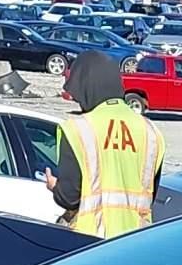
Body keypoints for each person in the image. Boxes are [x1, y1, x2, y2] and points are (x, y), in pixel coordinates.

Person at [45, 51, 164, 239]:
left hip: (90, 242)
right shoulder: (151, 132)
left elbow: (69, 197)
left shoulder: (77, 129)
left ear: (86, 88)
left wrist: (55, 187)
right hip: (136, 243)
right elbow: (150, 193)